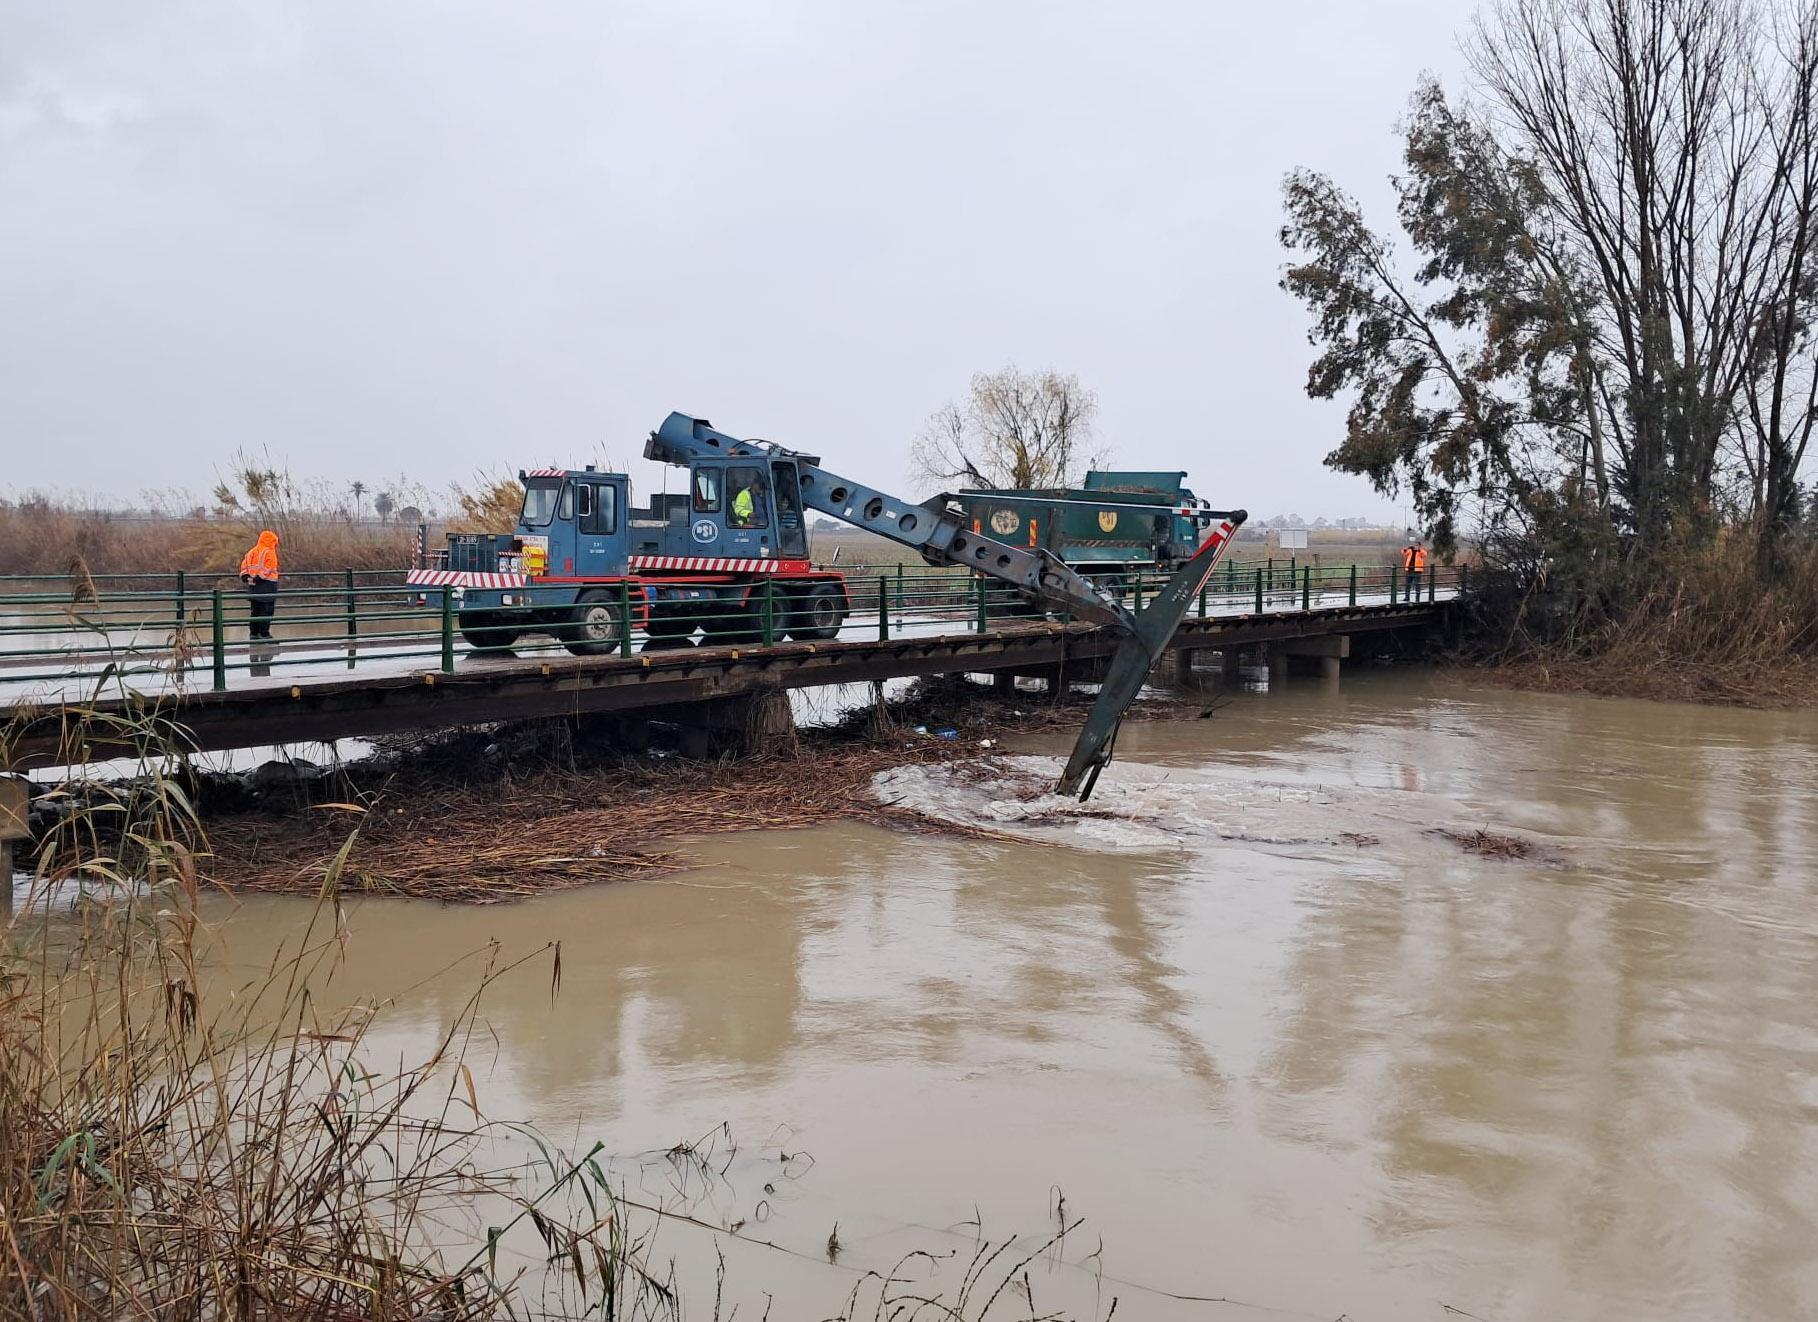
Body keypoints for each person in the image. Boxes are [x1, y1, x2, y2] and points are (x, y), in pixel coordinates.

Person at [239, 529, 281, 643]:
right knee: (266, 611)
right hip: (267, 585)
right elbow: (269, 567)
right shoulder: (269, 552)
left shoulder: (251, 552)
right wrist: (259, 578)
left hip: (253, 587)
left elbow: (244, 566)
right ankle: (264, 634)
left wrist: (247, 577)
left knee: (255, 611)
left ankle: (254, 633)